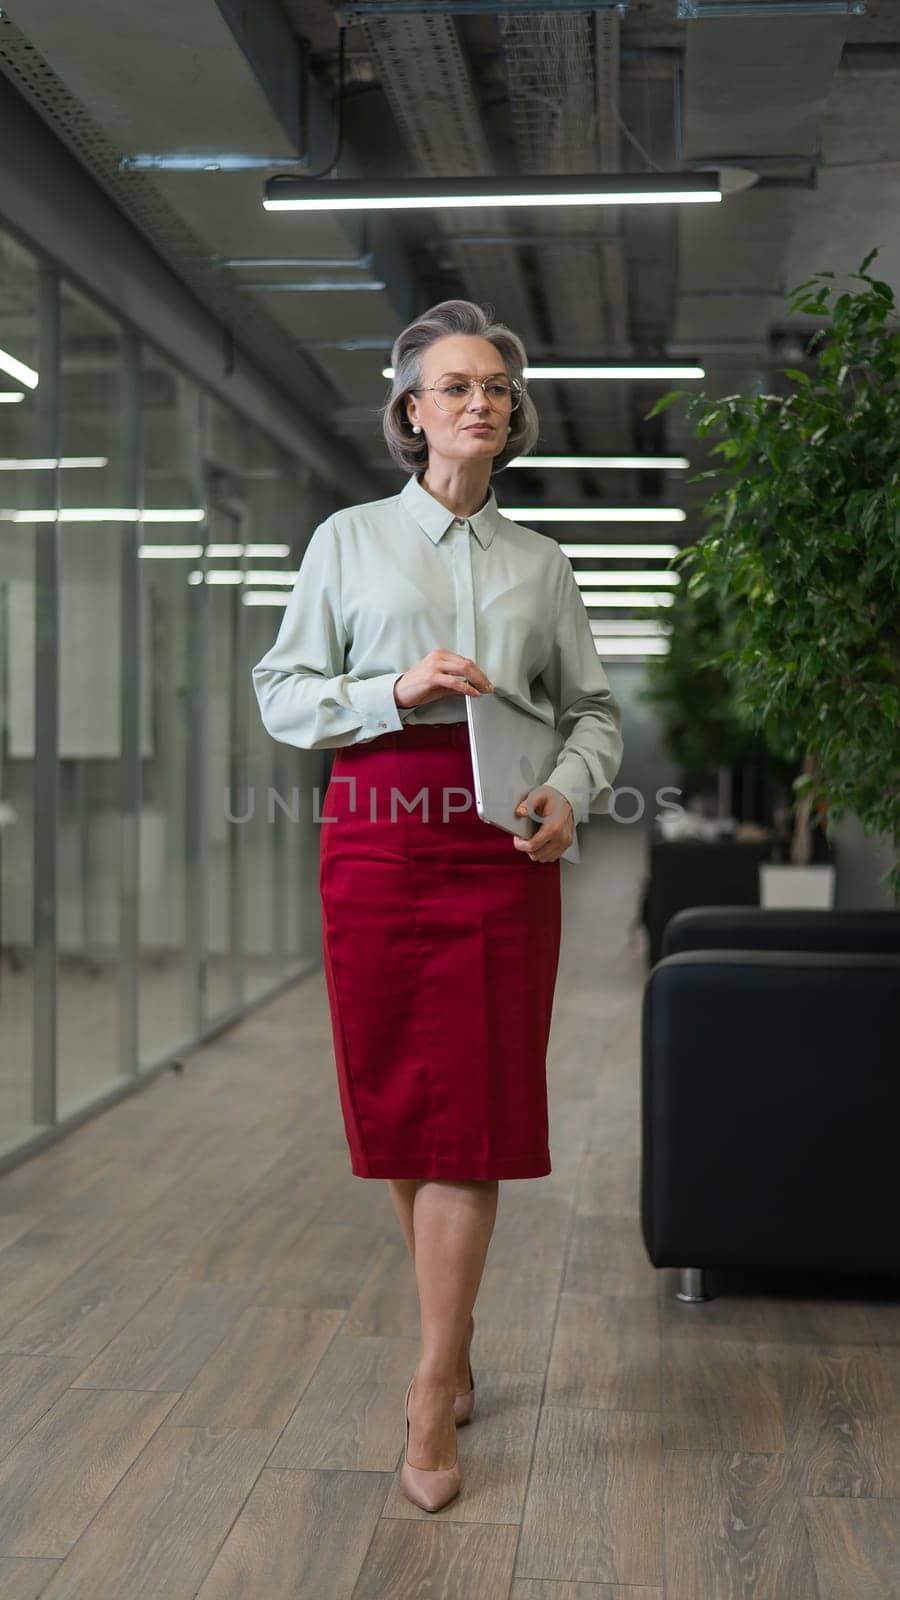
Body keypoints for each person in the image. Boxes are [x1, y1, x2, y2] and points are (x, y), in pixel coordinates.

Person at [251, 298, 624, 1512]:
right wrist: (392, 686)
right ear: (412, 410)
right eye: (457, 386)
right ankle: (453, 1338)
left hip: (502, 848)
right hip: (379, 834)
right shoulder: (349, 540)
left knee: (473, 1107)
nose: (483, 402)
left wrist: (571, 792)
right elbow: (282, 693)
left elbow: (593, 715)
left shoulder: (542, 562)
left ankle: (427, 1383)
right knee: (409, 1100)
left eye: (499, 390)